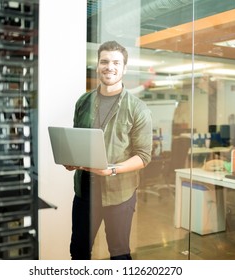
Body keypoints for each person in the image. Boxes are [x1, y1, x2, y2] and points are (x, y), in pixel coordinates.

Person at [64, 41, 152, 260]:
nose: (109, 67)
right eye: (104, 61)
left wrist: (112, 170)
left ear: (124, 68)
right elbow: (79, 141)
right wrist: (72, 159)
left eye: (115, 62)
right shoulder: (83, 102)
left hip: (119, 192)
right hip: (85, 190)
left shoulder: (138, 108)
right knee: (79, 251)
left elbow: (143, 156)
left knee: (119, 253)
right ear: (97, 65)